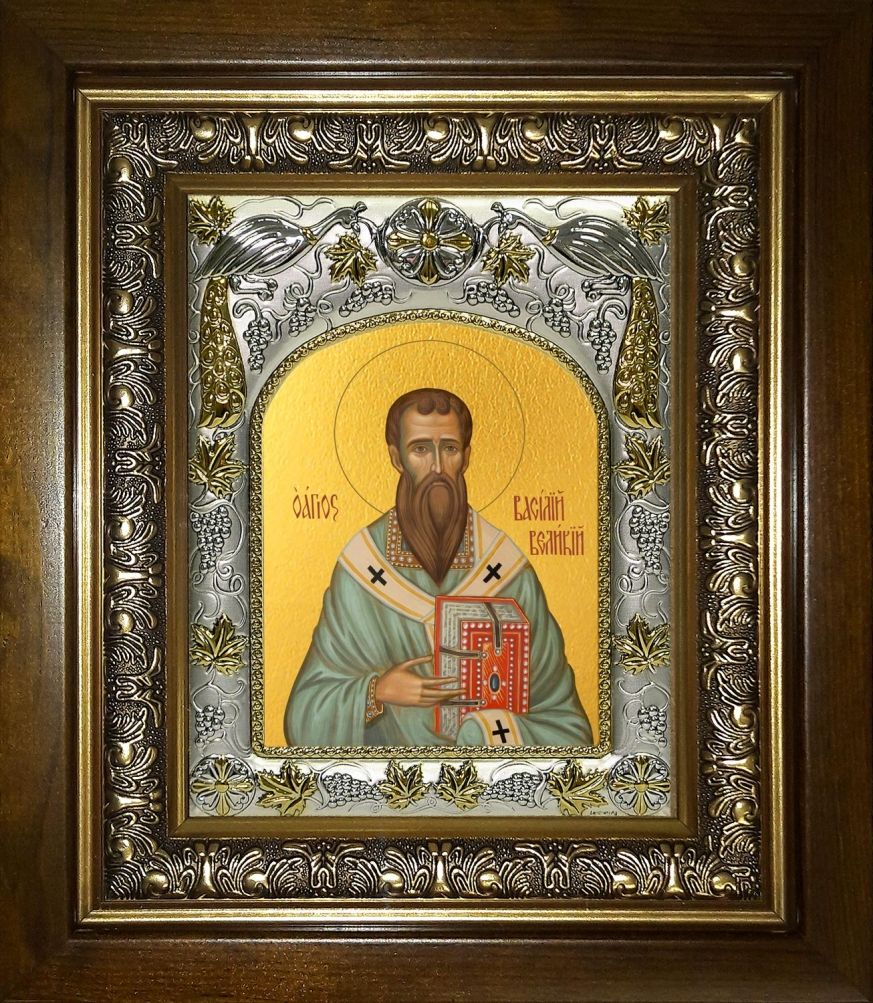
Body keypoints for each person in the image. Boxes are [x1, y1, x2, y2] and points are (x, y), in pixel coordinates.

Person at [284, 387, 592, 747]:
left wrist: (487, 732)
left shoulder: (507, 571)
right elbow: (305, 714)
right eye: (420, 449)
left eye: (449, 449)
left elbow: (566, 724)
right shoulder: (362, 569)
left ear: (466, 457)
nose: (437, 468)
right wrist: (376, 692)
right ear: (397, 458)